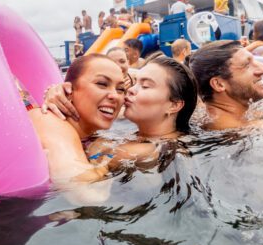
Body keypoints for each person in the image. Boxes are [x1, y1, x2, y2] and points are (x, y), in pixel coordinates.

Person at [42, 56, 199, 169]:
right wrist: (62, 92)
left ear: (174, 105)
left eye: (145, 86)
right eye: (132, 84)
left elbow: (83, 188)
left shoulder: (162, 152)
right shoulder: (131, 140)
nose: (130, 90)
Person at [28, 54, 126, 184]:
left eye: (120, 89)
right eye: (102, 84)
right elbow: (87, 192)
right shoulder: (47, 119)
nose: (115, 96)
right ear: (68, 90)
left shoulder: (94, 138)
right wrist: (101, 160)